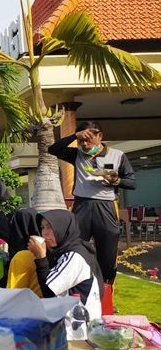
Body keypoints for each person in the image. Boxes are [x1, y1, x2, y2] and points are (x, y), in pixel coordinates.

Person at [0, 210, 103, 319]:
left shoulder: (73, 255)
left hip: (78, 325)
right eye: (42, 227)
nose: (45, 232)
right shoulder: (63, 252)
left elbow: (44, 292)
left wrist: (41, 257)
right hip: (65, 317)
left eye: (50, 227)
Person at [48, 121, 136, 283]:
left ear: (100, 136)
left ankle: (106, 293)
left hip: (106, 206)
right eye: (82, 140)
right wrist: (75, 136)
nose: (85, 144)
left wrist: (116, 180)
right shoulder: (77, 154)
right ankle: (76, 288)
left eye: (89, 139)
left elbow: (132, 183)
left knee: (107, 254)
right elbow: (52, 149)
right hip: (82, 206)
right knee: (73, 248)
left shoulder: (117, 155)